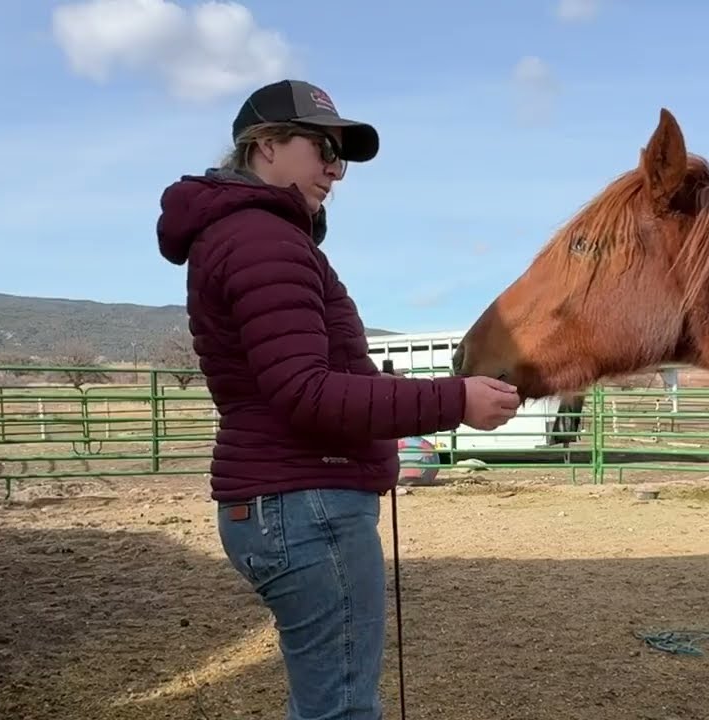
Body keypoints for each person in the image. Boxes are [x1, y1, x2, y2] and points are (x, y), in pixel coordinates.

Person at [155, 79, 521, 719]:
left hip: (285, 501)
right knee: (342, 710)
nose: (335, 170)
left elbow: (303, 380)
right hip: (305, 504)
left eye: (340, 156)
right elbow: (307, 392)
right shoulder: (263, 239)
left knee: (329, 702)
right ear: (265, 146)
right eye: (322, 147)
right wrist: (455, 399)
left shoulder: (247, 236)